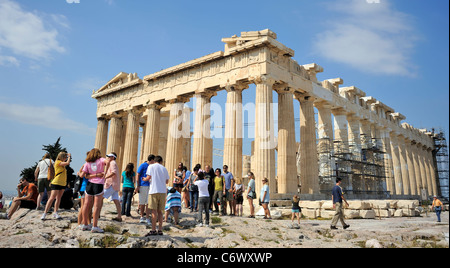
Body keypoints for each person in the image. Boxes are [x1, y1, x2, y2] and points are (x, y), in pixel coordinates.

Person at [80, 148, 110, 233]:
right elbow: (108, 162)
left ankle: (85, 224)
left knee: (86, 204)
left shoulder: (87, 163)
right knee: (96, 206)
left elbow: (83, 175)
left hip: (89, 185)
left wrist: (92, 175)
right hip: (98, 184)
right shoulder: (101, 160)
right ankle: (94, 226)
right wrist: (105, 171)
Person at [143, 155, 170, 236]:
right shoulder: (164, 168)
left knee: (154, 211)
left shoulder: (151, 166)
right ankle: (160, 230)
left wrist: (144, 179)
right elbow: (167, 182)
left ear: (154, 161)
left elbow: (148, 177)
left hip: (153, 191)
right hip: (162, 191)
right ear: (161, 161)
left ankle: (153, 229)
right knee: (160, 212)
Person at [41, 152, 71, 220]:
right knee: (52, 197)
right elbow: (67, 163)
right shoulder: (57, 162)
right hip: (56, 182)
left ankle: (55, 212)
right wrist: (69, 157)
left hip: (62, 183)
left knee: (59, 198)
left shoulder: (62, 165)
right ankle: (45, 213)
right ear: (62, 157)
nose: (66, 158)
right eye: (65, 157)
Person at [136, 155, 155, 225]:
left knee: (148, 203)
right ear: (152, 160)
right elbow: (138, 174)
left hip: (150, 186)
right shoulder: (143, 165)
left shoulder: (152, 167)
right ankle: (141, 217)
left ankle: (147, 218)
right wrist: (138, 185)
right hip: (143, 185)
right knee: (142, 202)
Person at [103, 152, 122, 222]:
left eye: (109, 156)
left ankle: (97, 214)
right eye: (107, 156)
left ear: (113, 157)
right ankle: (119, 216)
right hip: (115, 185)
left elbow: (113, 172)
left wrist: (105, 177)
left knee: (100, 197)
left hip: (111, 184)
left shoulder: (112, 163)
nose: (108, 157)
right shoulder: (113, 163)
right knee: (116, 201)